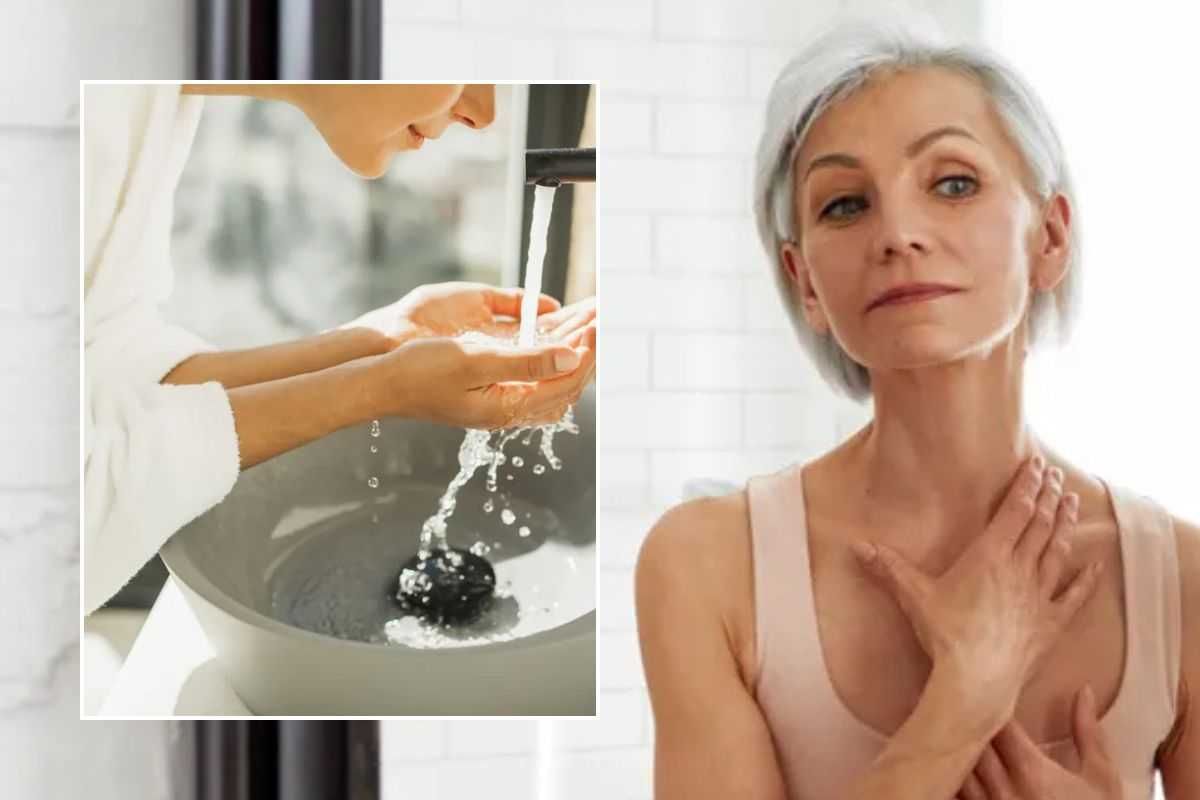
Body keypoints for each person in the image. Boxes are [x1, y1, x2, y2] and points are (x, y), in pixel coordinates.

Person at [635, 18, 1197, 800]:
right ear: (805, 283)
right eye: (844, 205)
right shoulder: (709, 567)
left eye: (953, 183)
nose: (898, 233)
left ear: (1051, 237)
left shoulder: (1180, 580)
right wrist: (961, 703)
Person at [84, 83, 596, 615]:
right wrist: (380, 388)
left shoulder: (146, 95)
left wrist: (376, 344)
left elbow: (103, 360)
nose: (484, 113)